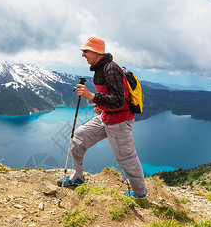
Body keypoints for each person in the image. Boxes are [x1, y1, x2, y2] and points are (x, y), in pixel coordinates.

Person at [57, 36, 147, 198]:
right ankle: (77, 177)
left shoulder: (111, 69)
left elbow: (119, 101)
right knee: (78, 137)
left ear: (97, 51)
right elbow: (110, 96)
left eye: (85, 51)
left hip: (119, 122)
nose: (83, 54)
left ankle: (140, 195)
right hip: (106, 117)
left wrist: (91, 96)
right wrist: (100, 105)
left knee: (127, 159)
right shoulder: (100, 68)